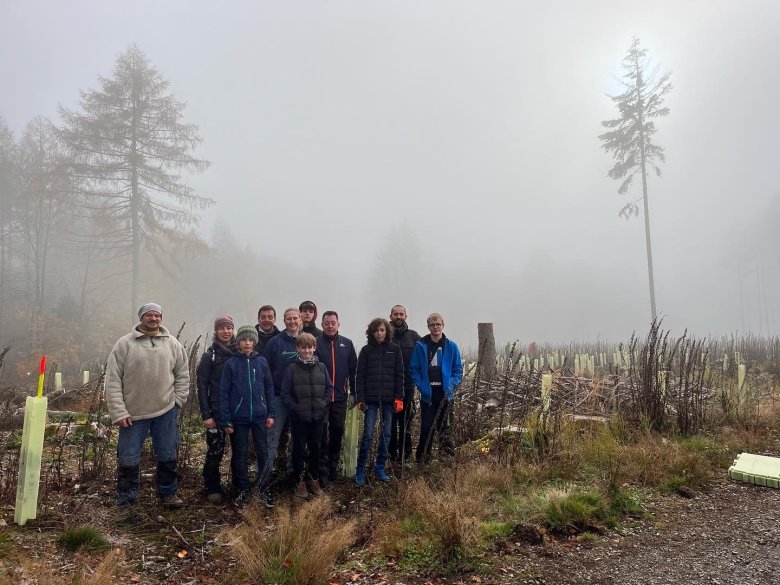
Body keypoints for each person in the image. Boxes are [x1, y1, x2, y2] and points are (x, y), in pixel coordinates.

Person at [105, 303, 189, 509]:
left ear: (161, 318)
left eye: (157, 315)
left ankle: (168, 494)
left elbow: (183, 374)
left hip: (166, 410)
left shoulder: (173, 344)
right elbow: (113, 380)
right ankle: (127, 500)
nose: (153, 319)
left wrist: (178, 401)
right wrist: (119, 411)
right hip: (132, 414)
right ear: (141, 318)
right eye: (149, 315)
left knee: (168, 453)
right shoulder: (124, 345)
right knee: (128, 456)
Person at [220, 325, 276, 507]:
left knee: (263, 452)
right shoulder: (231, 364)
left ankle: (263, 488)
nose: (247, 343)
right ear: (238, 342)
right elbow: (224, 392)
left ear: (254, 342)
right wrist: (226, 419)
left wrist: (271, 413)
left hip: (260, 416)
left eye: (250, 340)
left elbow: (269, 387)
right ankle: (243, 489)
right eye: (243, 340)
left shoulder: (262, 362)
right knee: (241, 453)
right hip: (239, 417)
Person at [281, 333, 333, 498]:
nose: (307, 350)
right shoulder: (291, 369)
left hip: (318, 417)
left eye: (310, 347)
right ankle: (298, 482)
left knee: (316, 449)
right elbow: (285, 393)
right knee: (298, 450)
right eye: (303, 347)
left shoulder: (322, 367)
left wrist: (324, 404)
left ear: (314, 348)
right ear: (298, 349)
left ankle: (313, 479)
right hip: (299, 418)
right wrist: (295, 408)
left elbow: (329, 389)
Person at [354, 317, 403, 486]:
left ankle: (380, 467)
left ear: (387, 331)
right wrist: (360, 398)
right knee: (368, 434)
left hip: (389, 400)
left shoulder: (395, 350)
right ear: (371, 333)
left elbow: (399, 375)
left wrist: (399, 397)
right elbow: (359, 376)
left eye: (382, 330)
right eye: (376, 331)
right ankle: (360, 469)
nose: (379, 333)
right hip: (370, 400)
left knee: (387, 434)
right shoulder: (366, 351)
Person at [410, 312, 463, 465]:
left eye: (438, 324)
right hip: (428, 395)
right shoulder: (421, 346)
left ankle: (446, 460)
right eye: (432, 325)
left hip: (446, 395)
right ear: (428, 327)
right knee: (426, 427)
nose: (435, 327)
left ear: (443, 325)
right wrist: (422, 387)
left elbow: (458, 370)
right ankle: (422, 460)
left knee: (445, 428)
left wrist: (450, 386)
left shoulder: (451, 346)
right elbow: (414, 369)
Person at [196, 314, 237, 504]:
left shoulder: (241, 352)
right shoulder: (209, 356)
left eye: (229, 328)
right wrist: (206, 414)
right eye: (222, 328)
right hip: (215, 412)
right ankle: (212, 487)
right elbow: (202, 386)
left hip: (237, 411)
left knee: (240, 451)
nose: (226, 331)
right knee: (215, 451)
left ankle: (237, 484)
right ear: (216, 331)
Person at [315, 310, 357, 485]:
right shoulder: (315, 343)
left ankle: (333, 468)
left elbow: (354, 371)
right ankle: (322, 471)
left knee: (337, 432)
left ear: (338, 324)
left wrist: (354, 393)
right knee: (321, 434)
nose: (330, 326)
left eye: (333, 322)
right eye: (327, 323)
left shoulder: (347, 344)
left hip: (340, 397)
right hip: (321, 398)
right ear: (322, 325)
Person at [263, 308, 302, 479]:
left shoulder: (306, 341)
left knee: (298, 439)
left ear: (300, 320)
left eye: (295, 318)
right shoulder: (274, 343)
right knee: (272, 439)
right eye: (288, 319)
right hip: (277, 398)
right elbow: (265, 371)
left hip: (300, 399)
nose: (292, 321)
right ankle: (264, 476)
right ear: (283, 321)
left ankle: (293, 472)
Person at [388, 305, 421, 463]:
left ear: (406, 316)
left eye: (401, 314)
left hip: (408, 387)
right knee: (390, 423)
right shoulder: (384, 335)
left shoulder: (414, 336)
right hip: (388, 388)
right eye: (396, 314)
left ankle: (405, 455)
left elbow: (424, 355)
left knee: (406, 421)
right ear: (391, 316)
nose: (398, 317)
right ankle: (391, 455)